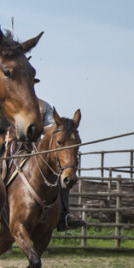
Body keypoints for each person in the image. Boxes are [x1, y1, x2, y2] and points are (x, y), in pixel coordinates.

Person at [39, 99, 85, 232]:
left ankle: (64, 216)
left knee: (61, 175)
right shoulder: (13, 100)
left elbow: (53, 126)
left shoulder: (43, 106)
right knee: (3, 169)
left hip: (41, 146)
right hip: (16, 144)